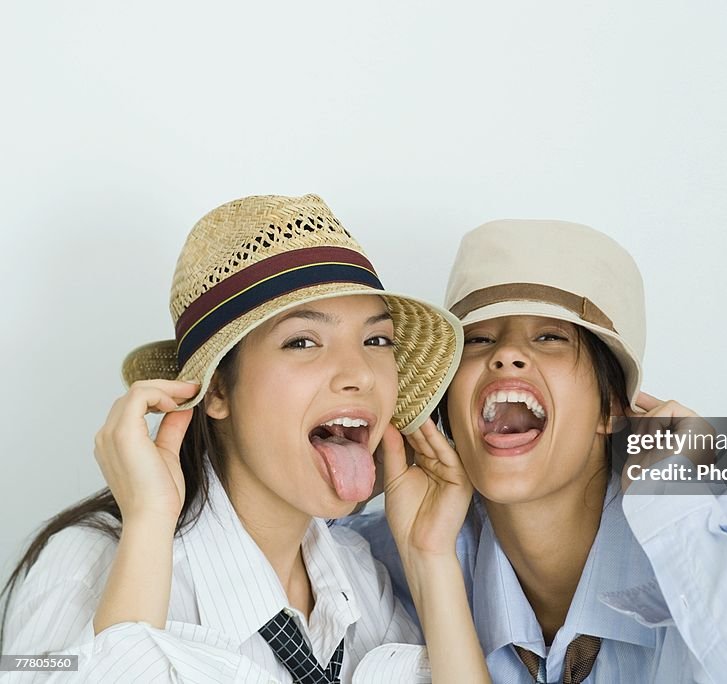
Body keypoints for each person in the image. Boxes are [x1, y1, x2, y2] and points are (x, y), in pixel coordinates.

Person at [343, 219, 727, 683]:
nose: (507, 356)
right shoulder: (390, 553)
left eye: (551, 338)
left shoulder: (713, 541)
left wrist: (667, 493)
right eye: (479, 341)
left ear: (610, 408)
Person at [0, 194, 489, 683]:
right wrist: (148, 524)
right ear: (216, 389)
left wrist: (431, 558)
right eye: (303, 341)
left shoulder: (360, 581)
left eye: (376, 340)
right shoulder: (82, 566)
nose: (360, 373)